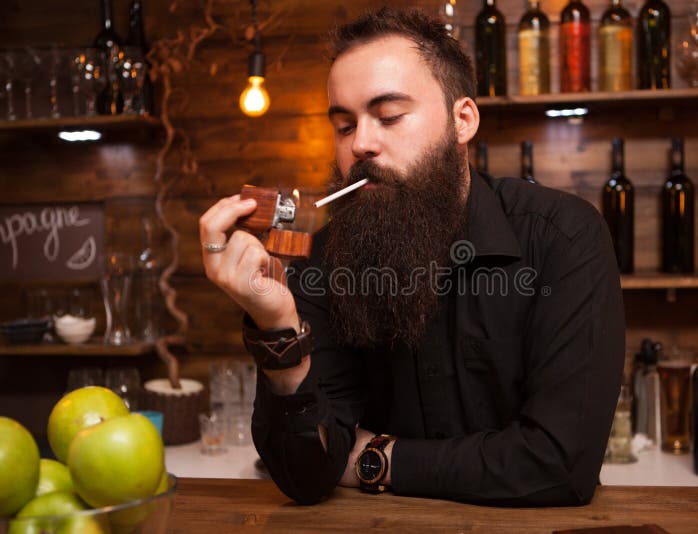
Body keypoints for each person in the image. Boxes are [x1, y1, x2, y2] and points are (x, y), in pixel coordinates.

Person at [199, 7, 624, 507]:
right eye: (343, 125)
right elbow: (308, 475)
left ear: (462, 120)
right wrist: (276, 327)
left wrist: (376, 458)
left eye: (389, 117)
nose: (360, 143)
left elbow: (560, 465)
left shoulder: (562, 237)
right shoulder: (323, 261)